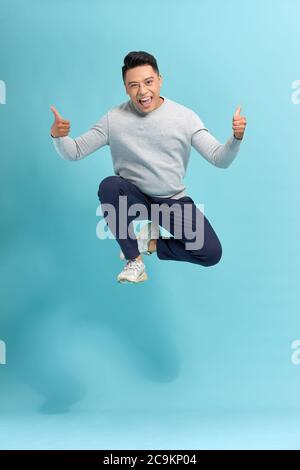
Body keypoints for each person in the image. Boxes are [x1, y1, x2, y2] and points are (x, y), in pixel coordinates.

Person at [50, 51, 247, 284]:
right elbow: (74, 152)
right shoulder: (114, 119)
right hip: (134, 198)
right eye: (134, 85)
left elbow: (219, 158)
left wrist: (235, 138)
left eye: (148, 82)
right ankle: (134, 260)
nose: (142, 92)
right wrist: (58, 136)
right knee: (109, 186)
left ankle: (148, 242)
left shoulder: (185, 117)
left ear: (160, 80)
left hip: (171, 202)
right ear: (125, 88)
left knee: (211, 252)